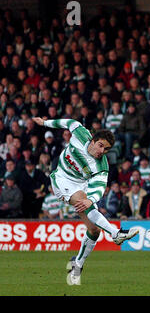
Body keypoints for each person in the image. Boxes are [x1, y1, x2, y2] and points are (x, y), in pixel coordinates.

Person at [31, 117, 139, 285]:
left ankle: (77, 264)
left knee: (94, 230)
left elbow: (99, 188)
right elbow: (68, 122)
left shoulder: (102, 165)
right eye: (100, 146)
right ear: (93, 140)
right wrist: (45, 123)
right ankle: (115, 233)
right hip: (61, 178)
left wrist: (92, 199)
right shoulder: (81, 134)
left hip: (81, 185)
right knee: (82, 200)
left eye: (106, 149)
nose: (102, 151)